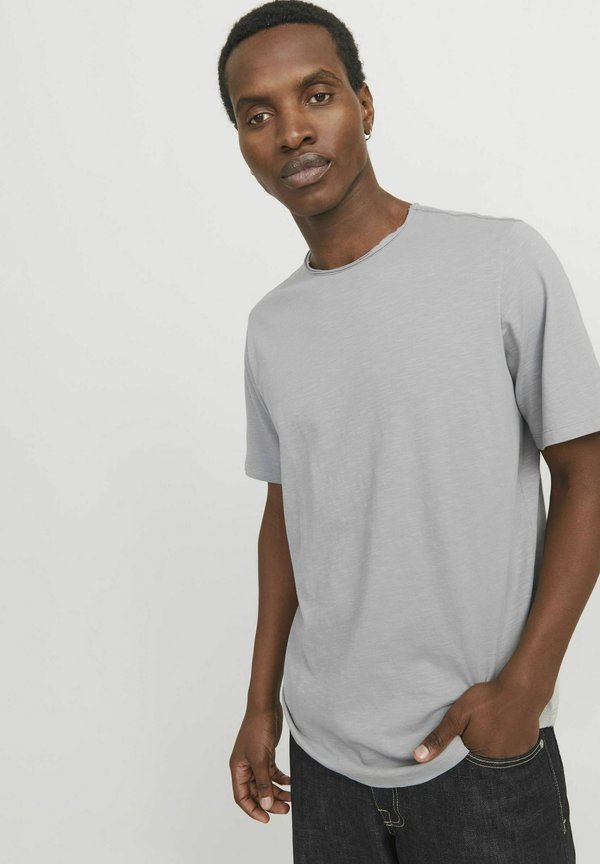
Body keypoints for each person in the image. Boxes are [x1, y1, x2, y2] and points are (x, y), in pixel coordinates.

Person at [219, 2, 600, 861]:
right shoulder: (271, 327)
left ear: (364, 104)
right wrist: (260, 704)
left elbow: (588, 471)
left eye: (317, 95)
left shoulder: (499, 261)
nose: (291, 131)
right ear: (241, 142)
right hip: (325, 762)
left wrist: (524, 691)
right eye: (257, 114)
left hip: (480, 754)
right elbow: (287, 512)